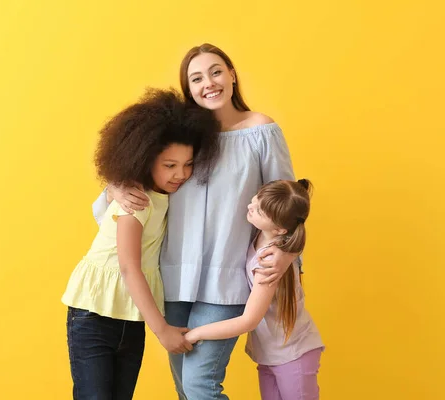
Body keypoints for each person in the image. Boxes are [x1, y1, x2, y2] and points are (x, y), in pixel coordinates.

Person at [92, 43, 298, 399]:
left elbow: (290, 207)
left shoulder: (262, 131)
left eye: (216, 71)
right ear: (189, 89)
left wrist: (287, 253)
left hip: (228, 279)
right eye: (197, 78)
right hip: (174, 281)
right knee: (184, 388)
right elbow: (133, 179)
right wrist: (113, 188)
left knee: (200, 385)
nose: (209, 83)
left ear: (232, 74)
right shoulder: (183, 137)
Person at [62, 88, 220, 400]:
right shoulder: (136, 200)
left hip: (131, 319)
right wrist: (163, 330)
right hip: (93, 315)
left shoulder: (167, 197)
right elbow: (128, 266)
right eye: (170, 165)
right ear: (144, 158)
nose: (181, 174)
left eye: (188, 164)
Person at [185, 179, 324, 400]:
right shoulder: (266, 238)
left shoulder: (268, 263)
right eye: (256, 198)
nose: (250, 205)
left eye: (259, 209)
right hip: (271, 354)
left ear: (279, 229)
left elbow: (248, 321)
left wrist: (197, 333)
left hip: (293, 354)